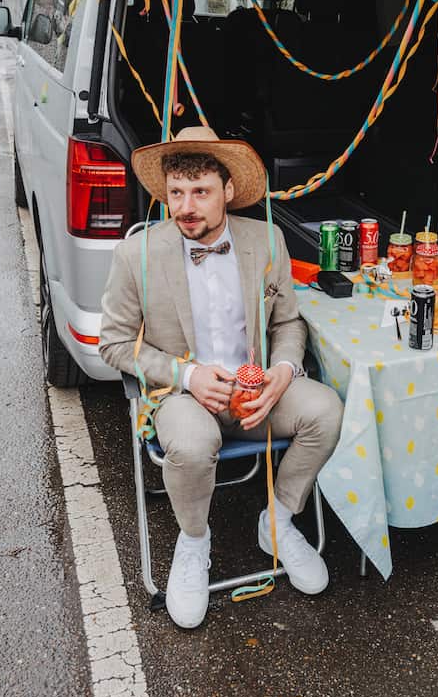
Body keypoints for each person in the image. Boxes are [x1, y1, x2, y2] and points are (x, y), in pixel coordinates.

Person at [99, 126, 343, 629]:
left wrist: (283, 370)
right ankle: (193, 543)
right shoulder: (136, 254)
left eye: (201, 192)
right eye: (176, 194)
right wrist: (187, 375)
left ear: (228, 191)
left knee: (326, 410)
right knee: (191, 445)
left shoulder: (266, 239)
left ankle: (276, 522)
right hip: (181, 394)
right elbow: (114, 343)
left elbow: (288, 322)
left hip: (256, 390)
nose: (186, 206)